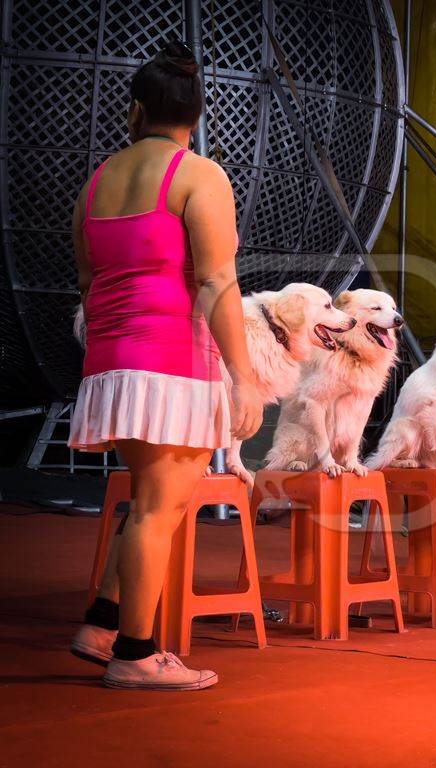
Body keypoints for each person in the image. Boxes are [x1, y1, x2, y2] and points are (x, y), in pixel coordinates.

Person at [68, 40, 264, 689]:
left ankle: (102, 622)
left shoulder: (97, 182)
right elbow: (215, 280)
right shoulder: (199, 176)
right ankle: (136, 653)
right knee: (160, 509)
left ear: (138, 108)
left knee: (147, 502)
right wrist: (244, 375)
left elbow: (90, 281)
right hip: (172, 361)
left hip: (112, 360)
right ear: (196, 112)